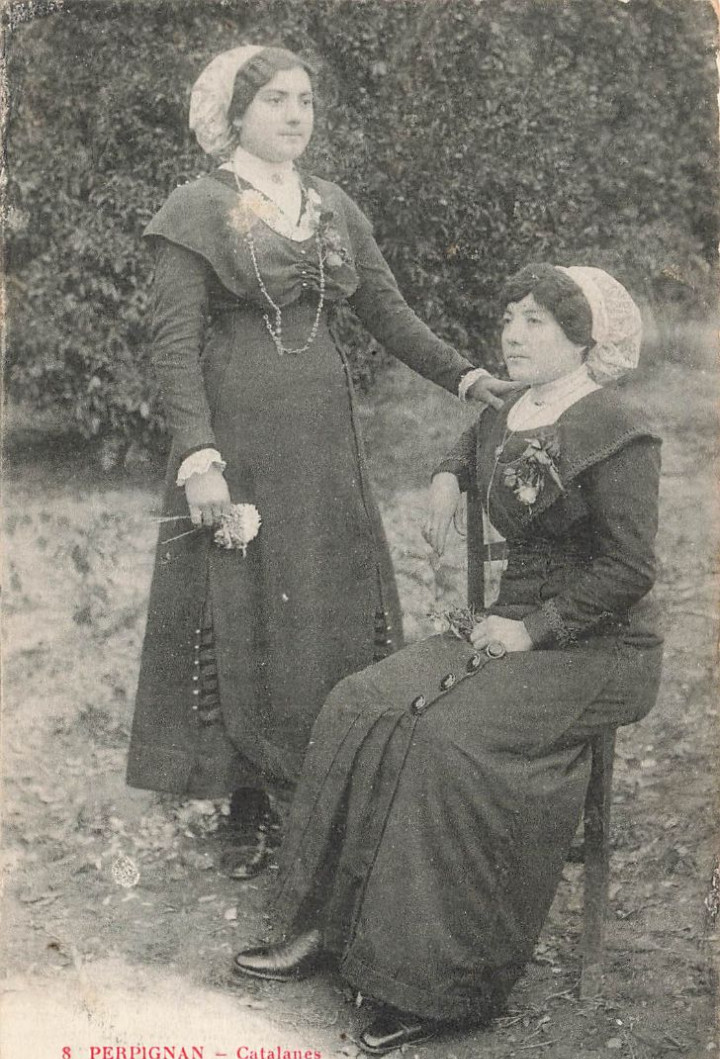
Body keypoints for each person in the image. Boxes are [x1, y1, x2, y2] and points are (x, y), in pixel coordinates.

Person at [232, 263, 664, 1053]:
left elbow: (630, 570)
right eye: (510, 315)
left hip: (597, 648)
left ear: (584, 339)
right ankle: (325, 926)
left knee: (446, 740)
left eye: (536, 320)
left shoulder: (617, 427)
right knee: (361, 701)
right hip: (504, 622)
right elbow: (472, 444)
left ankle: (433, 982)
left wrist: (533, 631)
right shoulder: (514, 404)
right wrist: (442, 476)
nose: (512, 332)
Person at [126, 45, 504, 878]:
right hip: (240, 440)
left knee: (324, 607)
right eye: (277, 102)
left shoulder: (330, 206)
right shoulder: (197, 206)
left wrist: (465, 374)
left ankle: (327, 786)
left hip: (324, 443)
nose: (296, 116)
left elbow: (387, 310)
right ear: (236, 114)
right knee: (246, 607)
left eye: (305, 102)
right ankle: (247, 802)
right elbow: (173, 346)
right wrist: (200, 458)